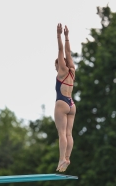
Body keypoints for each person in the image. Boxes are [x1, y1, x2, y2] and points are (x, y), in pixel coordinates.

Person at [54, 23, 76, 172]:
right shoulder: (72, 70)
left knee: (62, 133)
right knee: (69, 133)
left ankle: (62, 158)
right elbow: (68, 52)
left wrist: (58, 35)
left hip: (62, 102)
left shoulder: (62, 69)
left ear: (59, 63)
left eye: (55, 65)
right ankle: (67, 157)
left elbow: (62, 51)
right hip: (72, 104)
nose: (55, 67)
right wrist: (67, 37)